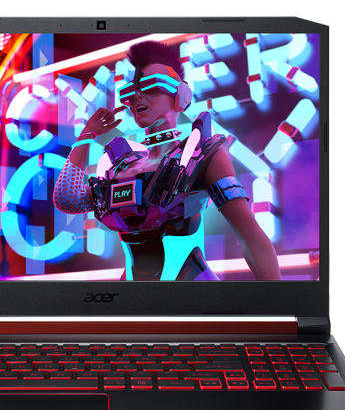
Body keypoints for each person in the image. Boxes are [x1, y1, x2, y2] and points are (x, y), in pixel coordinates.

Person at [53, 40, 281, 281]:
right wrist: (87, 135)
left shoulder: (200, 155)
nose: (137, 97)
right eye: (131, 92)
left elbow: (250, 236)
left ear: (180, 95)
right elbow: (67, 199)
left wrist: (277, 301)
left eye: (150, 87)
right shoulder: (121, 166)